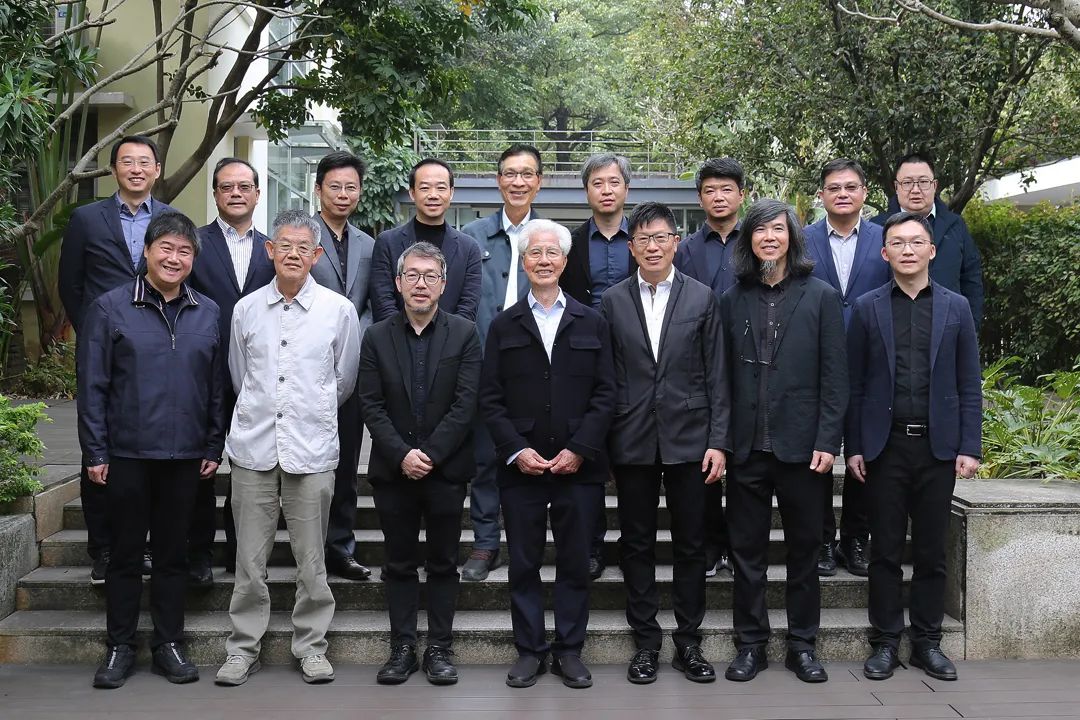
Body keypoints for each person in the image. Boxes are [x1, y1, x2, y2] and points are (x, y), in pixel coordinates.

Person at [79, 211, 225, 689]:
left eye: (184, 251)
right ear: (146, 251)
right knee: (124, 555)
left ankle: (168, 644)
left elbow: (216, 387)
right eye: (166, 248)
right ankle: (120, 646)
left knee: (172, 555)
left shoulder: (208, 311)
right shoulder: (110, 307)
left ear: (193, 259)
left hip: (185, 456)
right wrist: (95, 451)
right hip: (126, 454)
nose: (174, 258)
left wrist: (213, 442)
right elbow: (92, 386)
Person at [215, 210, 360, 687]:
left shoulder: (338, 310)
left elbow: (343, 381)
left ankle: (312, 647)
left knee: (312, 561)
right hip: (253, 448)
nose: (293, 254)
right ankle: (242, 649)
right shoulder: (246, 309)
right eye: (284, 245)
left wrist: (307, 410)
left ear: (316, 255)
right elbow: (240, 376)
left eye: (303, 247)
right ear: (269, 250)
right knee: (248, 562)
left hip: (311, 449)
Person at [846, 211, 982, 682]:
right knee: (884, 551)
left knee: (930, 552)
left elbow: (969, 382)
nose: (907, 249)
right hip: (884, 448)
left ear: (932, 250)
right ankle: (885, 642)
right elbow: (855, 384)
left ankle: (927, 643)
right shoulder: (866, 307)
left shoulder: (956, 307)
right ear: (885, 253)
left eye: (916, 241)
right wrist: (854, 446)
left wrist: (970, 445)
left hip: (937, 449)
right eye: (898, 243)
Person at [480, 219, 615, 689]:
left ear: (564, 260)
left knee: (576, 563)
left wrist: (581, 448)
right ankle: (530, 650)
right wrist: (515, 449)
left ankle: (569, 651)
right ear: (523, 261)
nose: (543, 260)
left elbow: (607, 393)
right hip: (523, 470)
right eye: (534, 253)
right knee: (523, 564)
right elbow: (490, 398)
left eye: (551, 253)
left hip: (579, 468)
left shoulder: (592, 321)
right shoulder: (504, 325)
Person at [720, 199, 847, 684]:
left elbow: (836, 378)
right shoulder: (732, 299)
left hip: (804, 449)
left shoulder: (822, 296)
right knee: (746, 554)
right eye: (760, 230)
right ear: (748, 240)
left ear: (792, 236)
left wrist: (828, 440)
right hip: (747, 448)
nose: (769, 237)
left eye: (777, 229)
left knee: (804, 554)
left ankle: (802, 646)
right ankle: (751, 645)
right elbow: (721, 377)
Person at [601, 202, 729, 685]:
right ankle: (646, 642)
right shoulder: (612, 301)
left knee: (691, 543)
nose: (652, 246)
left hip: (691, 440)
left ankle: (689, 642)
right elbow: (606, 378)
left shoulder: (702, 297)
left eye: (661, 237)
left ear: (676, 242)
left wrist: (719, 441)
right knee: (635, 543)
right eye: (643, 239)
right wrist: (605, 443)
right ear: (631, 247)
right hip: (631, 438)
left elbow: (718, 375)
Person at [358, 242, 482, 686]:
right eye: (412, 275)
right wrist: (402, 454)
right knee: (399, 563)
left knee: (444, 562)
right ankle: (403, 648)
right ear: (398, 282)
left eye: (430, 276)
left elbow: (466, 404)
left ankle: (440, 648)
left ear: (443, 284)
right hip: (394, 471)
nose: (421, 284)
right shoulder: (376, 336)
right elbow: (371, 404)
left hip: (445, 471)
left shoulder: (464, 333)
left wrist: (430, 454)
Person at [59, 134, 178, 585]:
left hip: (153, 348)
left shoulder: (171, 219)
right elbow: (71, 283)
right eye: (127, 161)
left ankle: (142, 545)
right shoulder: (86, 219)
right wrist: (94, 331)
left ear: (157, 170)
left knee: (146, 447)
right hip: (101, 348)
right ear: (114, 170)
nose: (136, 169)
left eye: (145, 162)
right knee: (99, 443)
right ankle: (105, 549)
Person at [187, 157, 275, 585]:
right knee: (199, 468)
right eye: (226, 187)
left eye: (244, 186)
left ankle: (242, 553)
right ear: (215, 194)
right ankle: (197, 555)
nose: (236, 193)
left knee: (249, 468)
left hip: (257, 375)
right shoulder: (193, 244)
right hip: (200, 374)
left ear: (257, 193)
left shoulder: (273, 249)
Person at [459, 144, 544, 582]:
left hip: (534, 365)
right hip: (481, 361)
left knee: (532, 451)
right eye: (510, 173)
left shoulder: (550, 236)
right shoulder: (471, 236)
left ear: (539, 182)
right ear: (498, 181)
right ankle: (486, 542)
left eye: (527, 174)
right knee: (484, 456)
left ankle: (528, 542)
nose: (518, 181)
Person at [804, 158, 891, 579]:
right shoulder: (802, 239)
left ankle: (855, 537)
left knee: (865, 449)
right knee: (816, 450)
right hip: (813, 360)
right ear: (821, 194)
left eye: (851, 187)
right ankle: (822, 538)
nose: (842, 194)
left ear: (864, 193)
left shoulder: (884, 237)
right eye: (834, 187)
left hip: (870, 359)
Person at [561, 152, 636, 580]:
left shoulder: (644, 238)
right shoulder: (570, 244)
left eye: (613, 182)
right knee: (587, 451)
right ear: (586, 191)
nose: (606, 191)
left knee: (631, 456)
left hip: (637, 355)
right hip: (583, 357)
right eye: (597, 183)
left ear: (626, 188)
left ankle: (633, 543)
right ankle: (590, 545)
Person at [673, 156, 746, 579]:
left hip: (749, 361)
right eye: (709, 190)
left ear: (741, 194)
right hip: (697, 368)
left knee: (744, 465)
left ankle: (739, 547)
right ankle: (710, 546)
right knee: (705, 462)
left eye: (726, 189)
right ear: (700, 198)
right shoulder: (684, 249)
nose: (718, 197)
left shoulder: (755, 240)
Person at [309, 150, 375, 582]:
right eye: (335, 186)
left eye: (351, 187)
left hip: (351, 368)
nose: (343, 194)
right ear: (319, 190)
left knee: (347, 463)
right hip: (307, 366)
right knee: (308, 466)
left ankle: (340, 547)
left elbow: (372, 304)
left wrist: (354, 331)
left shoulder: (370, 243)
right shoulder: (300, 237)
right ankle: (308, 549)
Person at [870, 152, 984, 328]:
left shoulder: (955, 225)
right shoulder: (877, 227)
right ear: (896, 187)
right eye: (907, 183)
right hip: (893, 329)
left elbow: (972, 279)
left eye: (923, 182)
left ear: (935, 185)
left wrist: (971, 327)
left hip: (949, 327)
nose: (916, 190)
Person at [370, 158, 481, 322]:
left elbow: (468, 308)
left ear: (451, 192)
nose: (433, 195)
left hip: (453, 338)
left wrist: (446, 336)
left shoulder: (469, 248)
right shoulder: (387, 243)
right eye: (425, 188)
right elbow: (383, 304)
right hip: (395, 337)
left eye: (441, 188)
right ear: (412, 193)